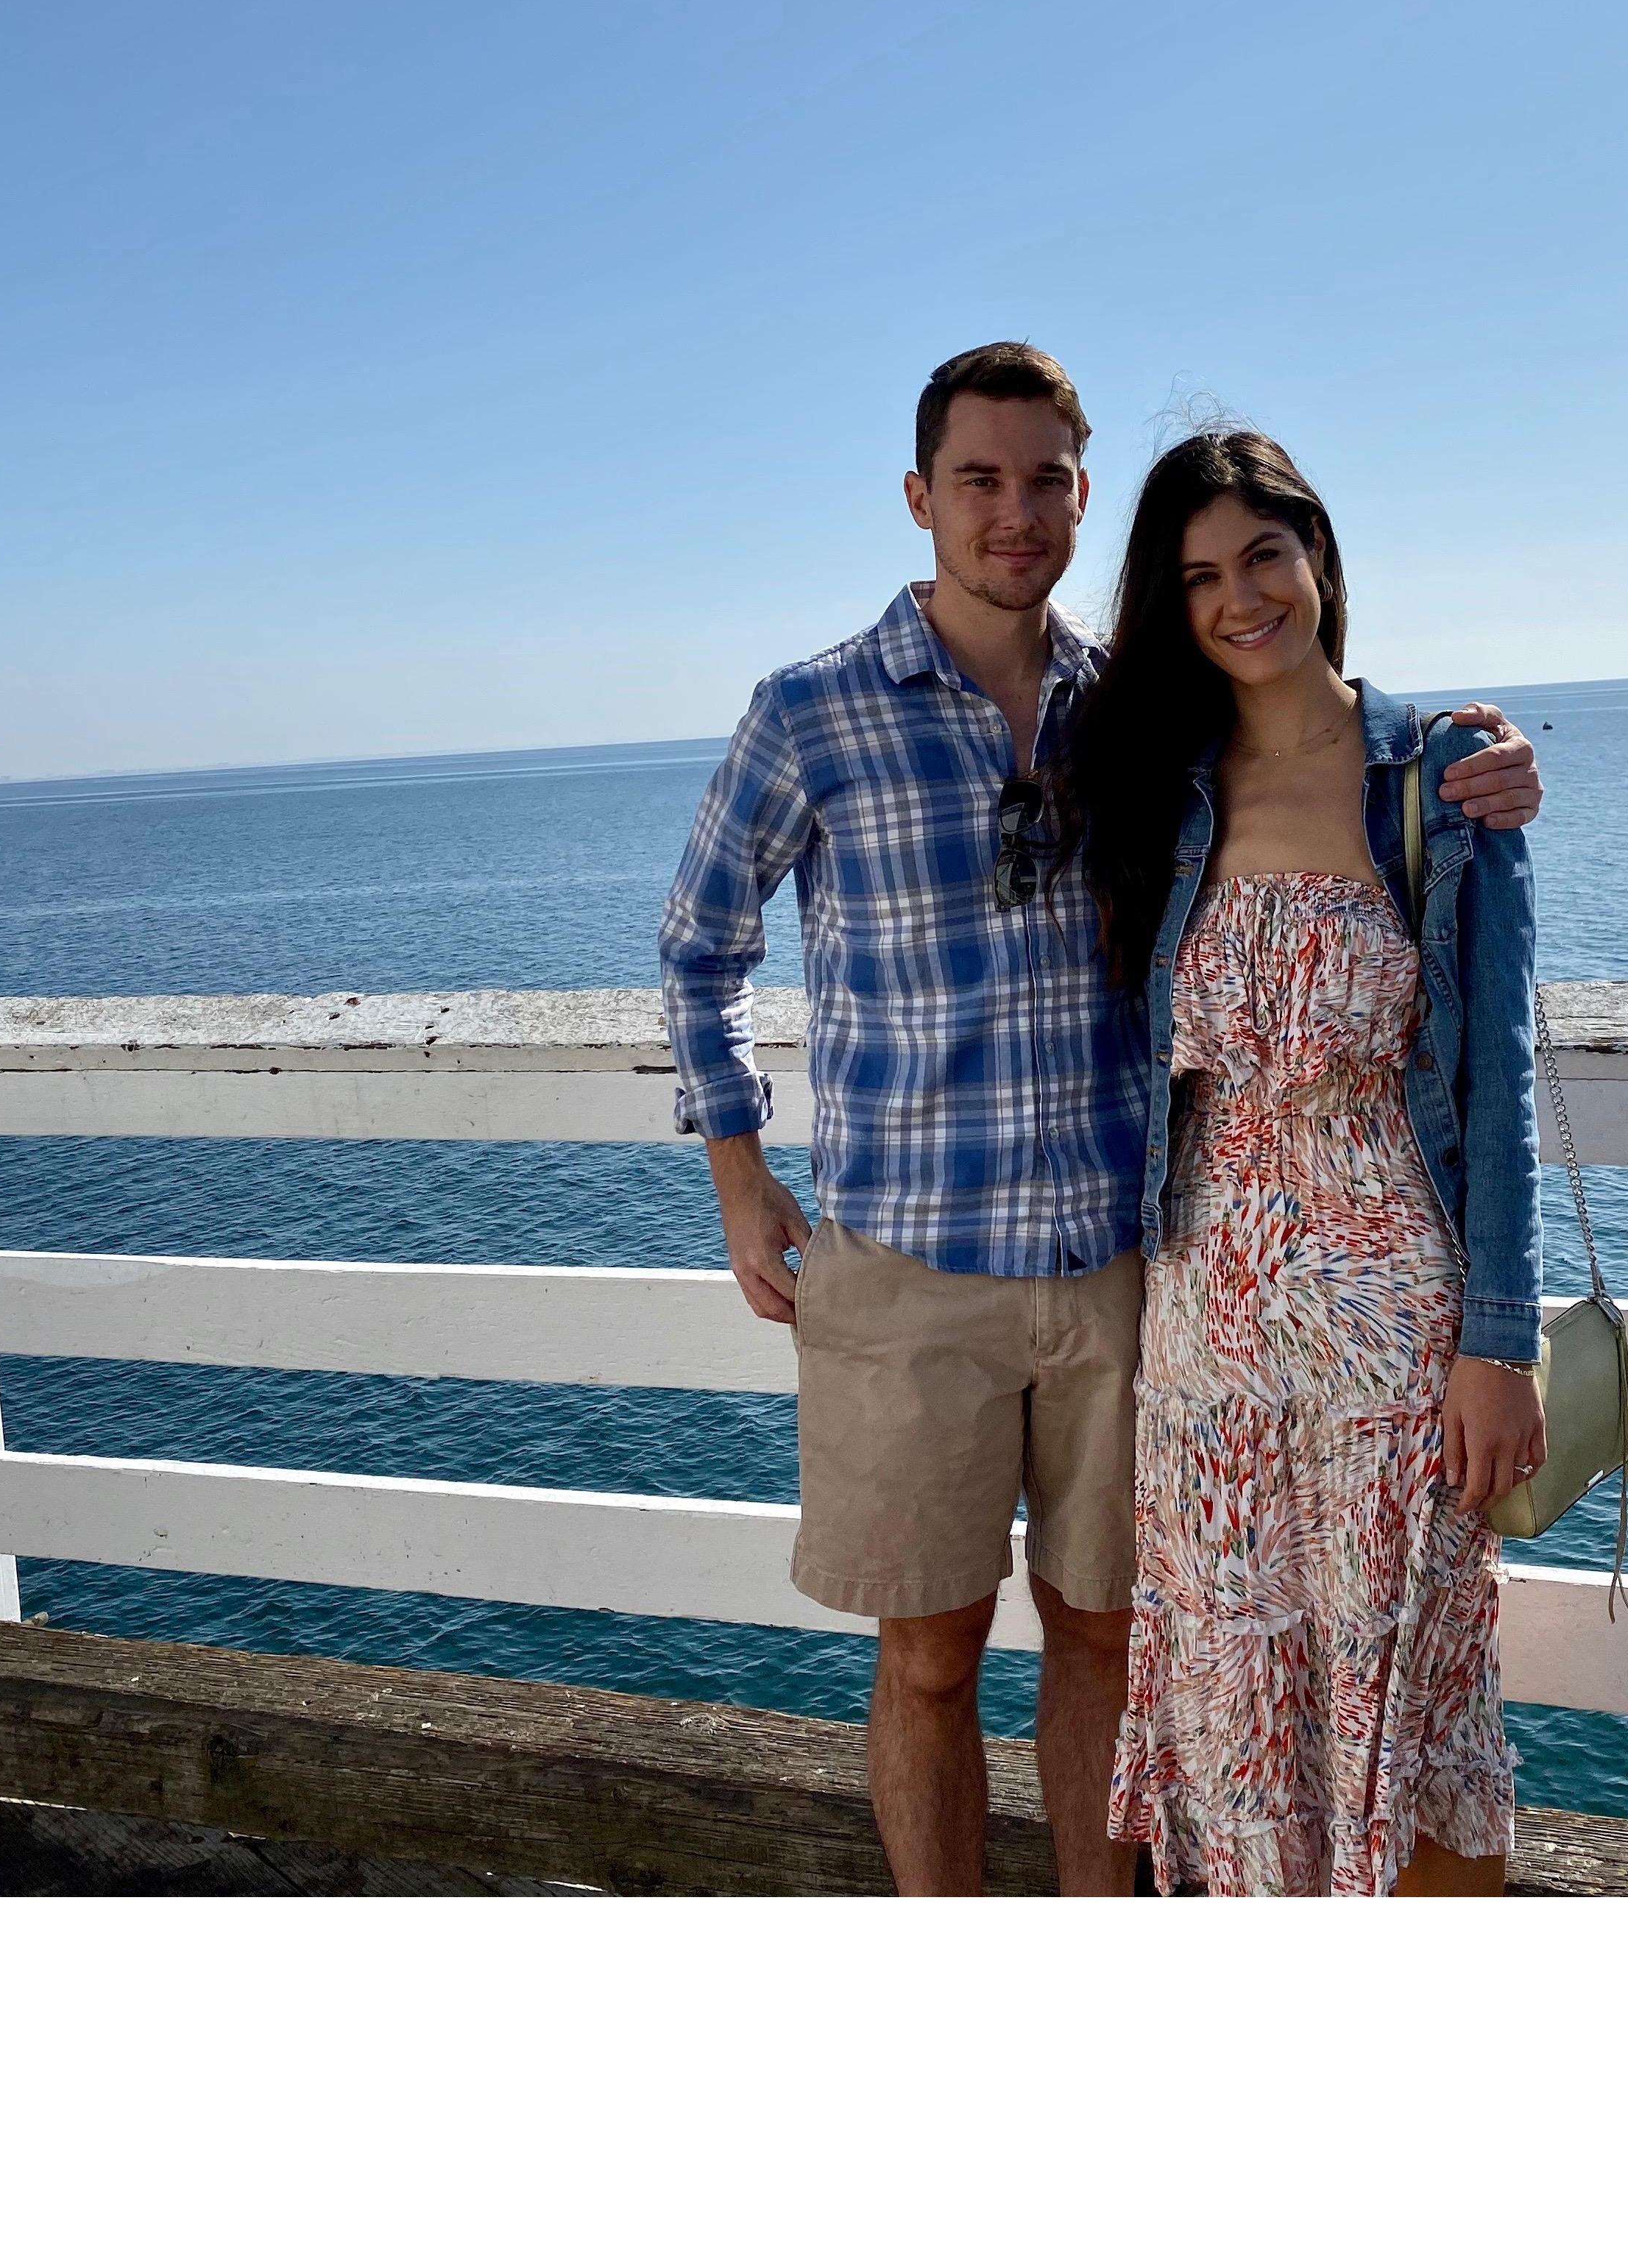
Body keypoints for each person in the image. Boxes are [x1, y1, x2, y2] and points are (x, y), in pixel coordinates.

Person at [658, 344, 1543, 1895]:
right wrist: (740, 1179)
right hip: (918, 1267)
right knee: (931, 1661)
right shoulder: (816, 712)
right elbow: (697, 946)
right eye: (981, 481)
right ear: (921, 497)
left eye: (1048, 480)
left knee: (1122, 1646)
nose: (1016, 513)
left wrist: (1481, 756)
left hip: (1129, 1276)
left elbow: (1457, 1010)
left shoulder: (1127, 716)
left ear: (1079, 499)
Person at [1063, 427, 1543, 1895]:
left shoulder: (1444, 778)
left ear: (1319, 556)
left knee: (1412, 1693)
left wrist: (1499, 1346)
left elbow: (1500, 1077)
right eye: (1198, 575)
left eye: (1264, 555)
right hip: (1206, 1324)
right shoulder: (1162, 785)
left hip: (1392, 1321)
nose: (1239, 597)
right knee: (1239, 1711)